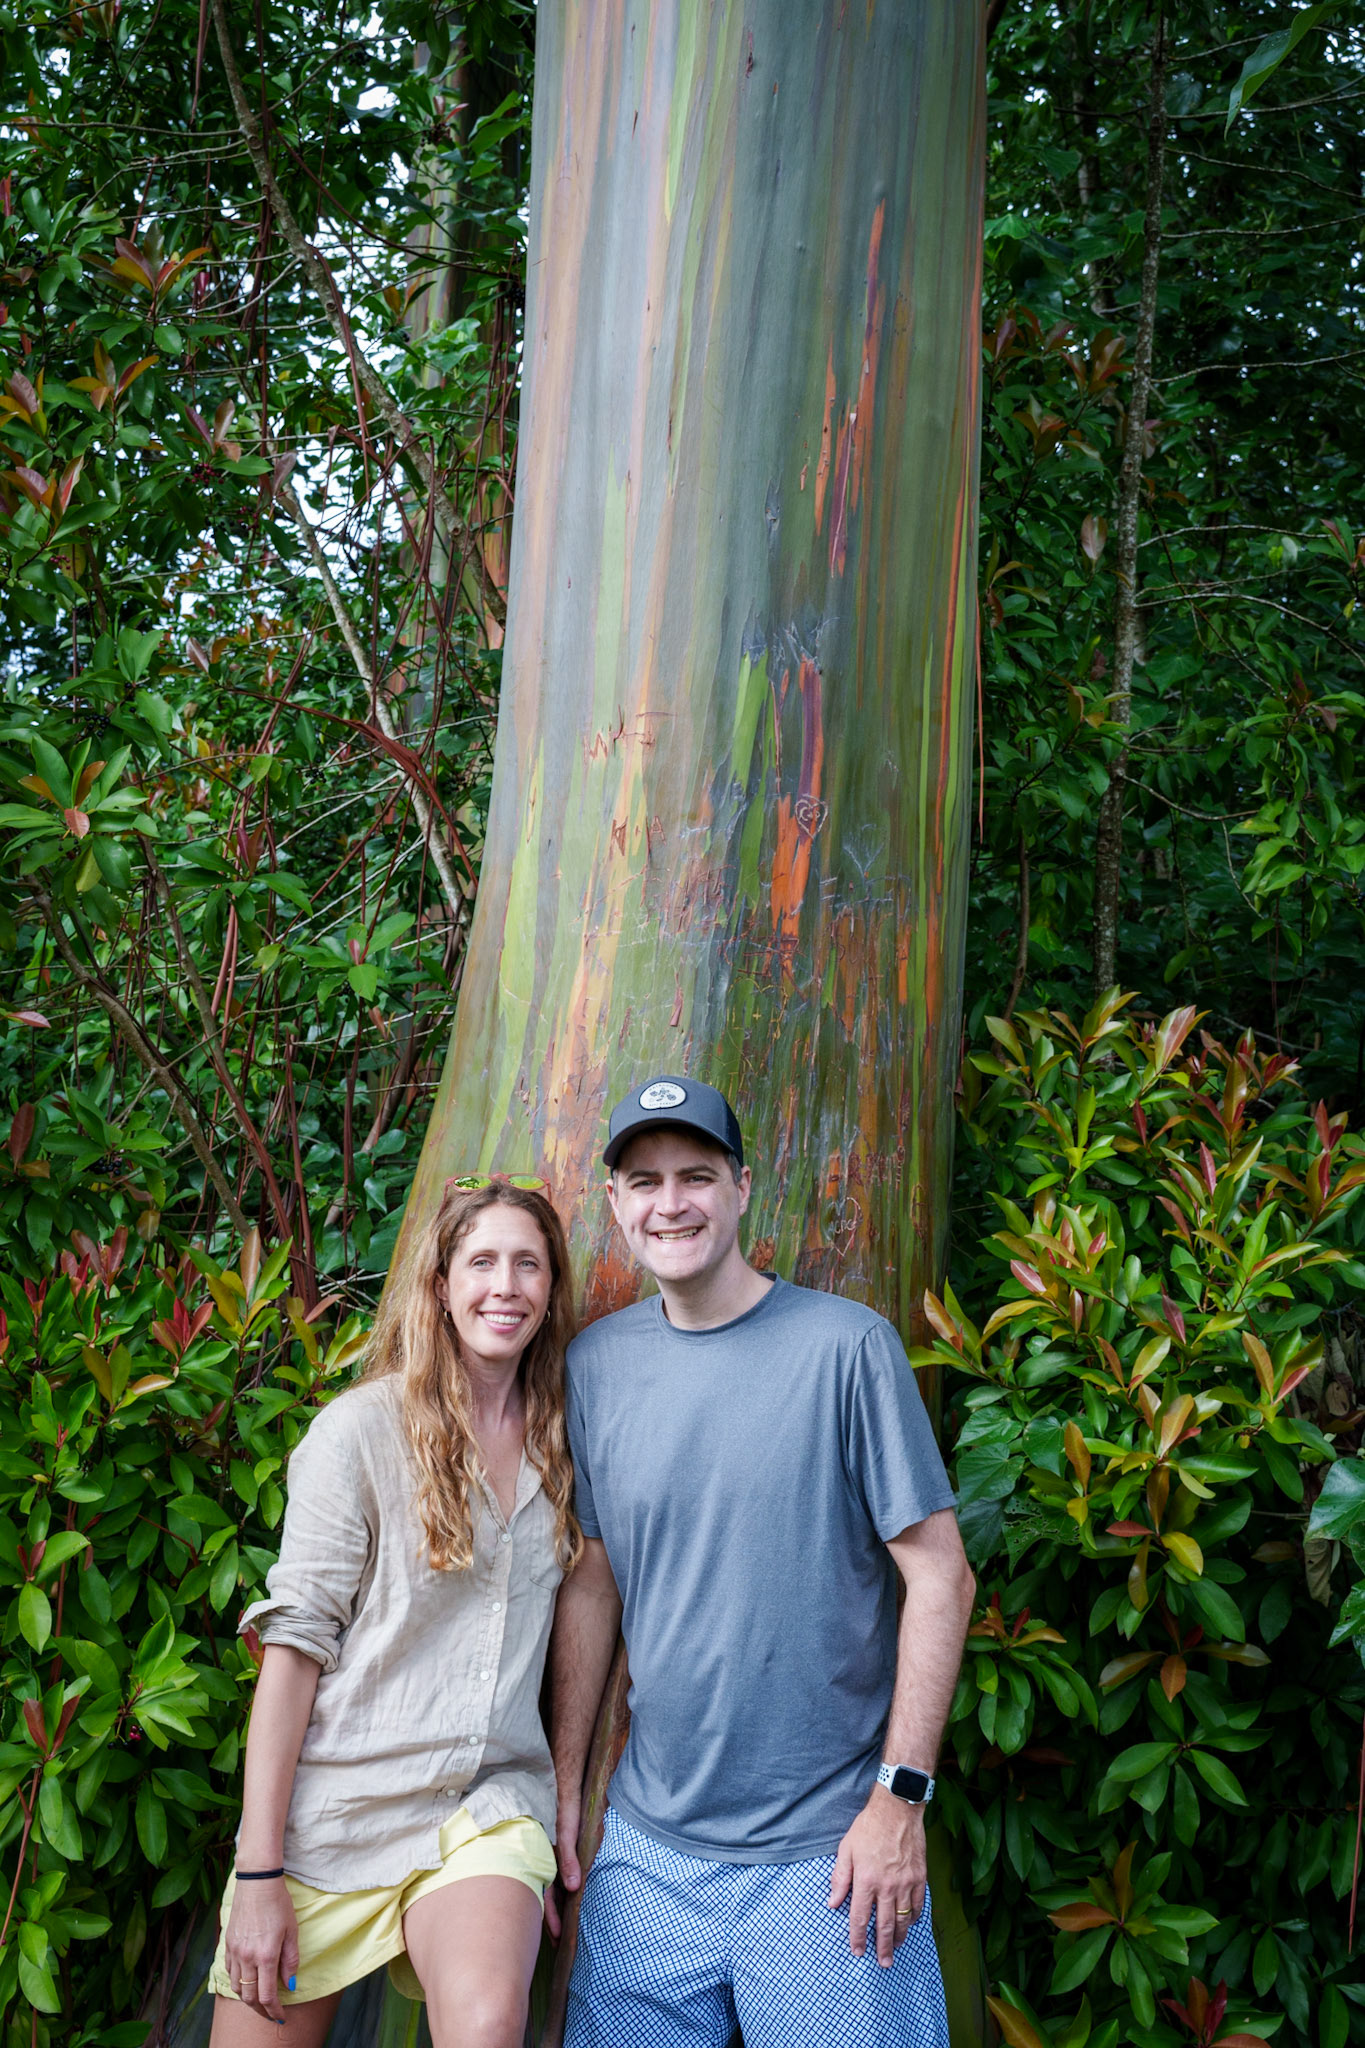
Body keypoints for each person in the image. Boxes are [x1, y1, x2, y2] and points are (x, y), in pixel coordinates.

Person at [550, 1077, 976, 2048]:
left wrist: (899, 1800)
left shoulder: (847, 1348)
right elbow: (594, 1579)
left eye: (696, 1175)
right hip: (649, 1856)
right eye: (645, 1181)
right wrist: (567, 1782)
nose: (671, 1203)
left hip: (831, 1854)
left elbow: (941, 1576)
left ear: (742, 1187)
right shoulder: (595, 1365)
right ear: (615, 1201)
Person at [208, 1176, 581, 2048]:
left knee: (488, 2023)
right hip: (337, 1814)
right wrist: (258, 1873)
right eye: (481, 1263)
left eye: (527, 1265)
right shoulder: (358, 1434)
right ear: (440, 1284)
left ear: (551, 1288)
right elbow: (293, 1650)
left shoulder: (565, 1440)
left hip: (482, 1808)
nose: (505, 1287)